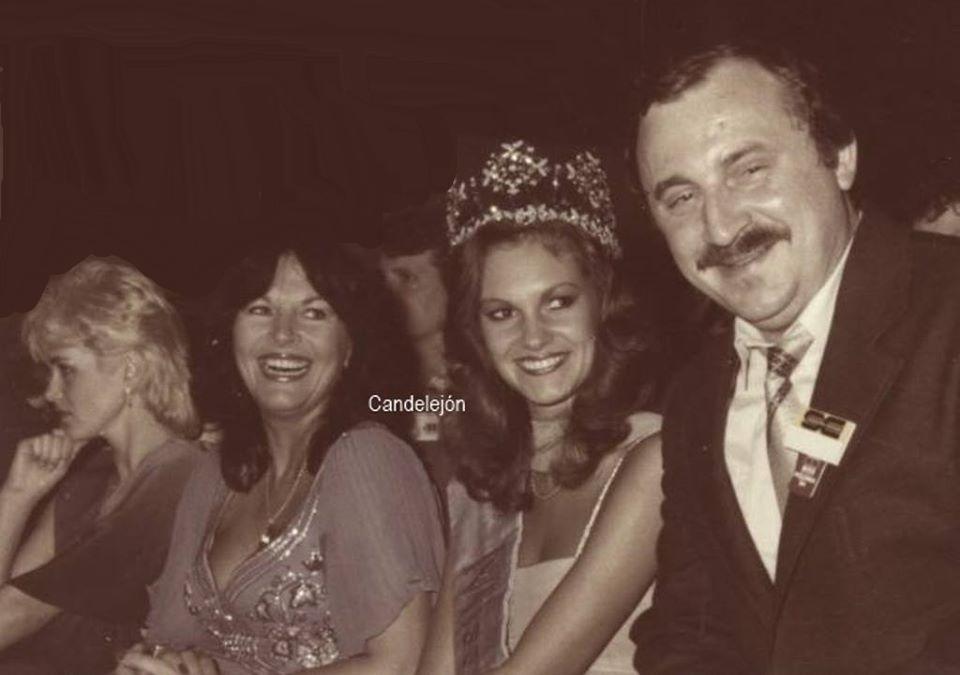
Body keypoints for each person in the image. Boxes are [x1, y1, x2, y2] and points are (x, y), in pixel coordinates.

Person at [630, 41, 960, 673]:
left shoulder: (947, 314)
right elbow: (693, 624)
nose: (721, 227)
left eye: (748, 170)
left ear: (840, 157)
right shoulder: (697, 397)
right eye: (681, 198)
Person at [124, 241, 445, 675]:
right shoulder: (216, 473)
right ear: (229, 333)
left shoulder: (367, 459)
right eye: (260, 309)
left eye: (315, 313)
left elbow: (399, 665)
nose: (282, 334)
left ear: (350, 345)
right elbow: (170, 642)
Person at [417, 139, 663, 675]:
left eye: (558, 302)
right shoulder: (482, 490)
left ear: (602, 302)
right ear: (477, 332)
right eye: (502, 313)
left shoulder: (654, 460)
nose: (534, 338)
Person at [0, 257, 203, 675]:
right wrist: (16, 497)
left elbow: (12, 618)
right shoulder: (92, 478)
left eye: (66, 370)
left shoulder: (178, 477)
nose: (50, 394)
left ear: (131, 369)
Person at [378, 195, 453, 484]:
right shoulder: (377, 385)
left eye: (407, 278)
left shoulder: (494, 379)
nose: (387, 296)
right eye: (382, 281)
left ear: (452, 281)